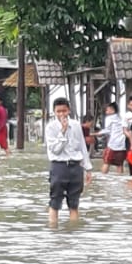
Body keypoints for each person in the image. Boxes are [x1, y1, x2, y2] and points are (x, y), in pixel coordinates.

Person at [44, 97, 93, 226]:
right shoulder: (50, 127)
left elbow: (82, 147)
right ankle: (53, 229)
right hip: (59, 166)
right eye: (58, 111)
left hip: (75, 166)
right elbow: (55, 150)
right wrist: (63, 132)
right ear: (54, 112)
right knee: (55, 202)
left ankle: (73, 229)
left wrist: (88, 169)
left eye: (64, 111)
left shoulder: (76, 125)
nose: (62, 114)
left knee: (74, 203)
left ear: (69, 111)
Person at [101, 103, 128, 174]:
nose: (106, 112)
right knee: (119, 164)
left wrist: (94, 134)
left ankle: (103, 178)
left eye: (107, 110)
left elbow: (107, 130)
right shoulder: (121, 118)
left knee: (106, 162)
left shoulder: (109, 118)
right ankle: (120, 180)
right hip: (122, 145)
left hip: (112, 144)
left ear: (112, 110)